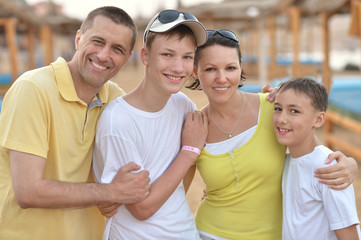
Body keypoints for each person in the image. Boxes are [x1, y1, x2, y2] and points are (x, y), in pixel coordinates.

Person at [185, 29, 358, 240]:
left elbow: (310, 151)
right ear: (195, 71)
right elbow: (178, 195)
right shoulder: (193, 127)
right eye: (210, 69)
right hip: (209, 233)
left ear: (240, 68)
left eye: (230, 68)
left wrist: (348, 164)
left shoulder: (273, 109)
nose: (222, 78)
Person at [0, 6, 151, 240]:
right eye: (98, 41)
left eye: (117, 49)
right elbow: (28, 191)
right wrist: (108, 192)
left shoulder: (115, 99)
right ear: (79, 38)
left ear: (127, 58)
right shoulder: (33, 88)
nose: (103, 55)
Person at [92, 10, 208, 240]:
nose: (178, 67)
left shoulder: (183, 105)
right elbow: (141, 209)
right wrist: (189, 152)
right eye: (167, 54)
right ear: (145, 56)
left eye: (187, 57)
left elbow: (182, 182)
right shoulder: (118, 121)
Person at [273, 77, 360, 240]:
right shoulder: (287, 162)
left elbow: (349, 236)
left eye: (294, 111)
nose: (281, 119)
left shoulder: (329, 169)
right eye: (278, 109)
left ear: (318, 119)